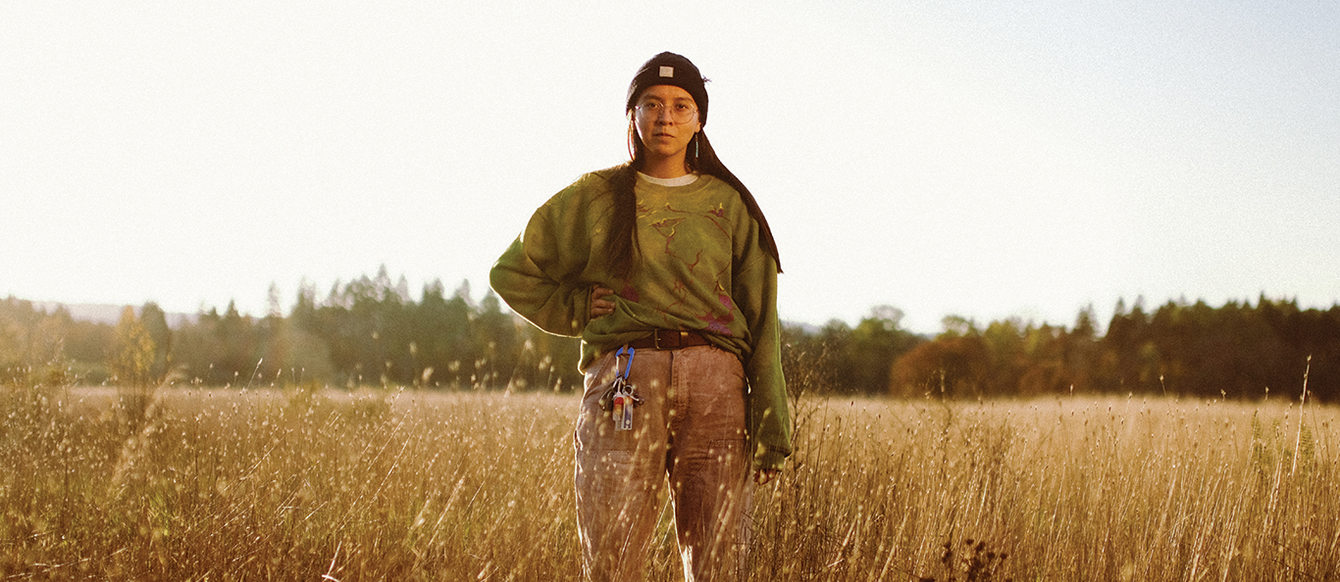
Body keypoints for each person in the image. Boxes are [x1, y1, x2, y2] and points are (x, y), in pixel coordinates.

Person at [490, 51, 790, 582]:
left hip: (717, 386)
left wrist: (771, 425)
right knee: (612, 555)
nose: (665, 117)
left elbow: (762, 317)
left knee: (720, 562)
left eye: (680, 105)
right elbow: (511, 272)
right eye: (651, 104)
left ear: (700, 118)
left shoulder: (730, 204)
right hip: (625, 380)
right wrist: (576, 308)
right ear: (632, 114)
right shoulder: (595, 196)